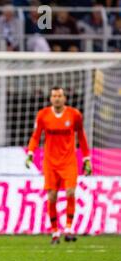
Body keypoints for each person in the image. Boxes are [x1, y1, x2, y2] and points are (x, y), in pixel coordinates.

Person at [25, 87, 92, 245]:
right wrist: (30, 153)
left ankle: (68, 229)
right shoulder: (43, 115)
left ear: (64, 98)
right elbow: (36, 136)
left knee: (70, 192)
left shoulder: (74, 115)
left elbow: (81, 136)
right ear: (50, 98)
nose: (57, 98)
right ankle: (55, 232)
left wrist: (86, 158)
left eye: (59, 96)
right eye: (54, 96)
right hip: (50, 162)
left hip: (69, 161)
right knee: (52, 196)